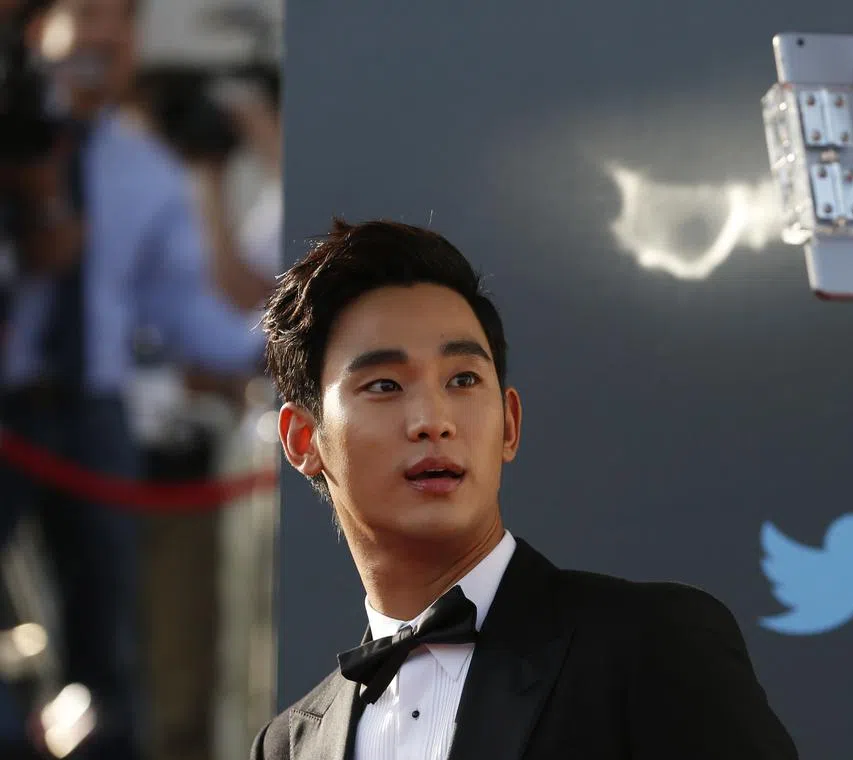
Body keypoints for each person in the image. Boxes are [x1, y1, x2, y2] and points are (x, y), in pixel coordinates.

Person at [255, 219, 799, 759]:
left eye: (463, 380)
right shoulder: (288, 746)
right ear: (304, 439)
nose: (433, 420)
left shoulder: (653, 645)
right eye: (384, 386)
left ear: (509, 424)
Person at [0, 0, 265, 757]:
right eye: (83, 13)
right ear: (34, 31)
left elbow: (183, 310)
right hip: (7, 415)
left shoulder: (146, 169)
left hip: (92, 417)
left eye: (120, 18)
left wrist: (276, 350)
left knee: (109, 643)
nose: (102, 35)